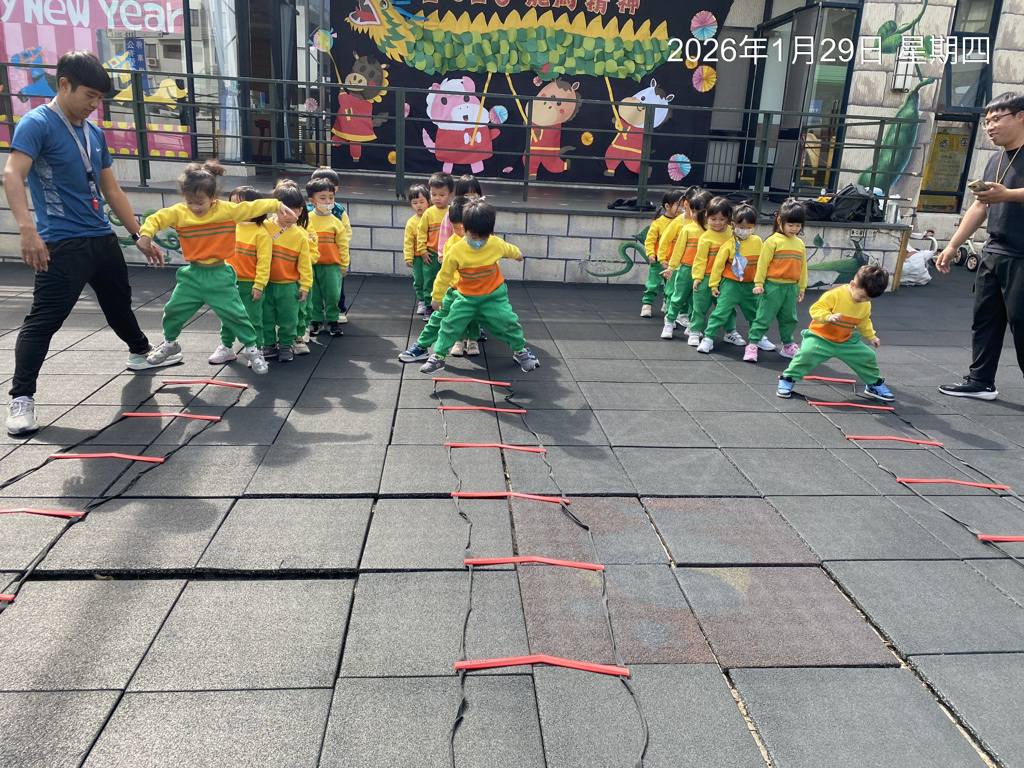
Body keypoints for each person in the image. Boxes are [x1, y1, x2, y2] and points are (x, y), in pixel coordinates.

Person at [3, 51, 170, 436]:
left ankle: (140, 352)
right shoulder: (36, 123)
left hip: (101, 237)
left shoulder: (93, 132)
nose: (94, 104)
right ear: (64, 84)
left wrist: (138, 235)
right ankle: (21, 398)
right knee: (45, 319)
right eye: (89, 96)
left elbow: (111, 189)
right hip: (62, 242)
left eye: (100, 98)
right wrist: (27, 230)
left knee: (118, 302)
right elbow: (12, 175)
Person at [138, 160, 294, 373]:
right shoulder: (179, 212)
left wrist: (277, 205)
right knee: (173, 309)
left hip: (219, 274)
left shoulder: (225, 210)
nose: (195, 207)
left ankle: (252, 349)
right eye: (190, 202)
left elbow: (251, 206)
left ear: (212, 198)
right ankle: (170, 343)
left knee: (236, 314)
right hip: (192, 275)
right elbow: (156, 219)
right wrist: (145, 234)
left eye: (199, 203)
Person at [935, 93, 1024, 401]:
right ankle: (981, 381)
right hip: (994, 251)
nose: (990, 127)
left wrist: (1008, 195)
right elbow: (980, 206)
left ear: (1020, 116)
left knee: (1021, 323)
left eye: (997, 119)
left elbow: (1003, 196)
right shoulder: (995, 160)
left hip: (1022, 256)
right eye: (987, 122)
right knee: (985, 320)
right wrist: (952, 246)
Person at [419, 199, 538, 374]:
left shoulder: (494, 243)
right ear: (463, 230)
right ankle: (439, 356)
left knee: (507, 321)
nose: (478, 241)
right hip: (466, 297)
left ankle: (520, 351)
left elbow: (509, 249)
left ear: (490, 232)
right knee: (450, 323)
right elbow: (444, 276)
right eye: (473, 237)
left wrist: (518, 255)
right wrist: (436, 297)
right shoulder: (456, 251)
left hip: (492, 296)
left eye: (483, 237)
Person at [777, 264, 894, 402]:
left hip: (844, 340)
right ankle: (788, 378)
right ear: (852, 285)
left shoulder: (865, 304)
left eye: (868, 299)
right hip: (820, 337)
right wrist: (827, 316)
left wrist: (871, 336)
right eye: (862, 296)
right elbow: (816, 309)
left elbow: (863, 321)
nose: (863, 301)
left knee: (867, 356)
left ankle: (873, 384)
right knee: (805, 354)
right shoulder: (835, 295)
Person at [399, 196, 490, 362]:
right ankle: (424, 346)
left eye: (461, 228)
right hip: (455, 289)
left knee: (497, 320)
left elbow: (501, 253)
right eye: (455, 228)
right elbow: (444, 274)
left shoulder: (484, 243)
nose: (458, 232)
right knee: (440, 318)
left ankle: (517, 348)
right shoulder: (452, 244)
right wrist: (437, 295)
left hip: (476, 292)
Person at [697, 204, 776, 354]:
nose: (745, 230)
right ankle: (708, 338)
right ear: (733, 225)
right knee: (721, 311)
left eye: (749, 227)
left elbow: (763, 263)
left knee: (755, 313)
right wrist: (714, 285)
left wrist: (761, 282)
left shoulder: (757, 241)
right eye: (741, 227)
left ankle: (758, 337)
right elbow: (718, 267)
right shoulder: (728, 245)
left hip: (750, 285)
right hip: (730, 285)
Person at [208, 186, 273, 366]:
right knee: (227, 316)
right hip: (228, 282)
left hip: (250, 284)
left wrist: (259, 284)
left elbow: (264, 262)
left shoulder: (260, 233)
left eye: (241, 205)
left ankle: (256, 350)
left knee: (253, 318)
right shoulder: (229, 227)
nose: (235, 209)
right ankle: (226, 346)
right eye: (232, 205)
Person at [743, 199, 808, 363]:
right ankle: (753, 344)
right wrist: (759, 283)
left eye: (798, 225)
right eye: (790, 225)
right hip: (772, 286)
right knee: (763, 316)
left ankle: (787, 344)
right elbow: (762, 264)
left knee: (789, 317)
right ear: (780, 221)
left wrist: (801, 287)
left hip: (790, 288)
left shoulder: (799, 244)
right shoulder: (772, 241)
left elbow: (803, 267)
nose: (794, 229)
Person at [259, 185, 314, 363]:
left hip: (289, 284)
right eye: (285, 211)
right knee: (266, 315)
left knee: (288, 317)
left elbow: (305, 263)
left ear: (300, 211)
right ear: (276, 209)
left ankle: (285, 343)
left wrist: (305, 285)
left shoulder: (300, 235)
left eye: (294, 212)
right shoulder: (264, 227)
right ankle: (269, 344)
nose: (289, 216)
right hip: (266, 283)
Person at [688, 196, 747, 348]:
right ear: (706, 216)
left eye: (722, 219)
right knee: (700, 306)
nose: (718, 223)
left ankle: (730, 331)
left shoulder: (732, 234)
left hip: (725, 278)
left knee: (727, 306)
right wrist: (697, 277)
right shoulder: (705, 237)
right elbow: (700, 259)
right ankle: (694, 330)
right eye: (713, 219)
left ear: (728, 218)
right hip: (706, 277)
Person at [661, 188, 712, 338]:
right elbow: (678, 250)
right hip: (685, 269)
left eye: (699, 211)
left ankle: (692, 326)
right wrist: (671, 267)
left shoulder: (713, 231)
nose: (695, 215)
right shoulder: (687, 229)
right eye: (693, 211)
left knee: (696, 301)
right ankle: (669, 322)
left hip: (703, 272)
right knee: (678, 297)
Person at [306, 177, 350, 337]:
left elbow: (342, 245)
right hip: (310, 265)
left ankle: (332, 319)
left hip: (331, 265)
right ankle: (316, 320)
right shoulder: (306, 220)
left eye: (331, 198)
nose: (327, 202)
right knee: (313, 295)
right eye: (323, 198)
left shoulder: (335, 222)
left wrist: (343, 265)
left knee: (332, 293)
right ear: (312, 201)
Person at [415, 172, 455, 319]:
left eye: (441, 195)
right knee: (429, 280)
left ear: (450, 194)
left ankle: (445, 306)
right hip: (431, 253)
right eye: (433, 194)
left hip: (448, 254)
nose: (437, 198)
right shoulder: (428, 213)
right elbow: (421, 232)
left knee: (447, 280)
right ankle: (428, 306)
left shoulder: (452, 212)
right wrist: (422, 250)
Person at [640, 190, 684, 318]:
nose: (681, 208)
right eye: (678, 205)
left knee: (671, 285)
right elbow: (650, 240)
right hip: (659, 259)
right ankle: (647, 304)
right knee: (652, 283)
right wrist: (650, 253)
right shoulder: (658, 223)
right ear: (667, 206)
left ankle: (666, 303)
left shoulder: (682, 223)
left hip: (673, 261)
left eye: (683, 205)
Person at [404, 184, 430, 315]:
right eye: (415, 203)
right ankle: (422, 300)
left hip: (430, 255)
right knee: (419, 279)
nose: (419, 206)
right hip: (417, 256)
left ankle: (430, 301)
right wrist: (408, 257)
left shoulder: (431, 217)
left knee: (430, 278)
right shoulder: (411, 222)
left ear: (428, 201)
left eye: (421, 202)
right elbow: (408, 241)